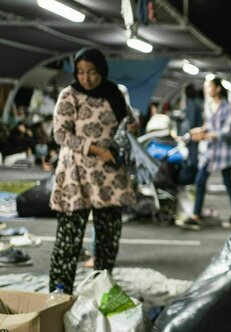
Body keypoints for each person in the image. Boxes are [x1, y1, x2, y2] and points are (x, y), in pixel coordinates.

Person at [48, 47, 136, 294]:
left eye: (92, 72)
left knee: (108, 239)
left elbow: (127, 121)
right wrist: (97, 150)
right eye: (81, 72)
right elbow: (60, 134)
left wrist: (131, 131)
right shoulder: (69, 96)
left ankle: (102, 290)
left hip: (108, 176)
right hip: (75, 175)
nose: (86, 78)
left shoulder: (115, 94)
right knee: (69, 240)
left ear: (102, 70)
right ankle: (59, 295)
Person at [182, 77, 231, 230]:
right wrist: (200, 130)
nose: (206, 89)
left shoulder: (227, 107)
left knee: (227, 181)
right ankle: (196, 216)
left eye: (209, 86)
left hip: (225, 150)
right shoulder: (208, 105)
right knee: (200, 180)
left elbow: (228, 131)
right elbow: (209, 124)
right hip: (211, 150)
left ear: (218, 89)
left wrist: (205, 136)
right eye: (205, 87)